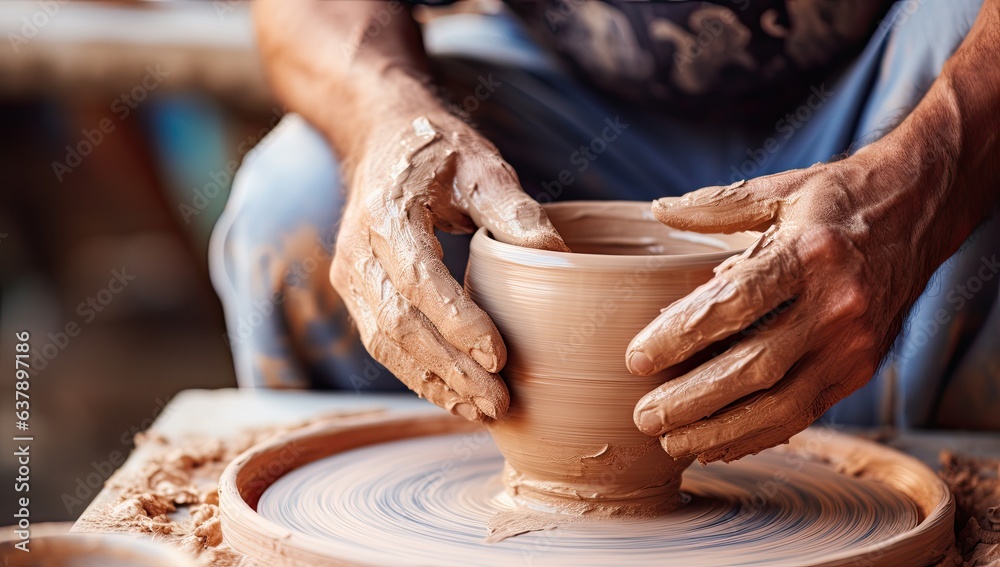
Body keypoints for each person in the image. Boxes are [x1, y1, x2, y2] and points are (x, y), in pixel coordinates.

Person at [210, 0, 1000, 464]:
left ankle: (918, 498)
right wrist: (385, 115)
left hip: (906, 86)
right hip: (559, 94)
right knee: (298, 208)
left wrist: (926, 178)